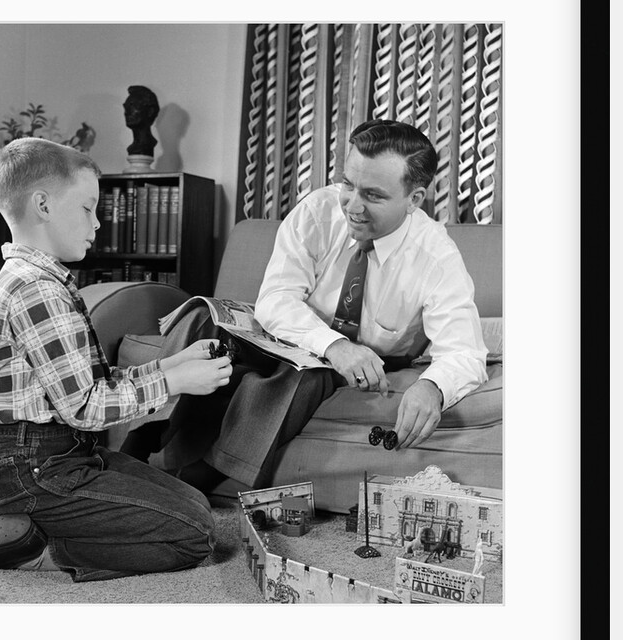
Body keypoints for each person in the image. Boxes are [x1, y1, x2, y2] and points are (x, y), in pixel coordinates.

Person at [124, 119, 488, 493]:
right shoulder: (318, 211)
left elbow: (465, 351)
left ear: (414, 199)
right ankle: (137, 443)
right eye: (348, 184)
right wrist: (334, 344)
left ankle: (200, 478)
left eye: (373, 195)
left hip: (347, 362)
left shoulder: (436, 256)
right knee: (201, 315)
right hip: (297, 333)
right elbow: (277, 298)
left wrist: (433, 387)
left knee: (306, 375)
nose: (353, 206)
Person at [0, 137, 232, 582]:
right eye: (88, 208)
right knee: (195, 534)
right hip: (35, 469)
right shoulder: (36, 290)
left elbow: (96, 383)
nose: (98, 222)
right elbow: (87, 408)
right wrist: (174, 383)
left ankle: (24, 525)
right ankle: (35, 547)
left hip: (64, 454)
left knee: (195, 504)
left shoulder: (43, 281)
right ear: (43, 206)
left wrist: (172, 364)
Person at [123, 85, 160, 156]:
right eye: (126, 107)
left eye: (133, 106)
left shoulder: (148, 145)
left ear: (150, 111)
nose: (127, 112)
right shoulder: (132, 148)